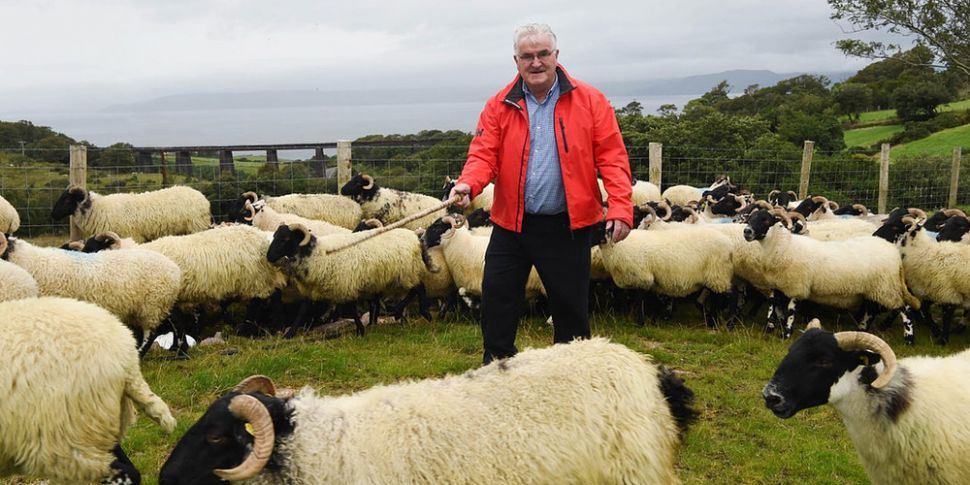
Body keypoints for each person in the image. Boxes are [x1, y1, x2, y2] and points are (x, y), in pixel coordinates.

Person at [449, 23, 633, 364]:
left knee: (570, 311)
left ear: (556, 56)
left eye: (543, 54)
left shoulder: (590, 101)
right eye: (527, 56)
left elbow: (613, 157)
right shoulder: (499, 104)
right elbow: (483, 154)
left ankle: (572, 378)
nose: (536, 63)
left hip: (568, 226)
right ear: (516, 61)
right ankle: (498, 370)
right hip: (511, 225)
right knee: (497, 300)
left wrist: (621, 207)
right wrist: (468, 184)